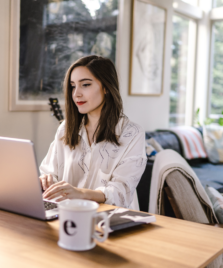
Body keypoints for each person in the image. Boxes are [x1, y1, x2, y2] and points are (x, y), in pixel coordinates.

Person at [39, 55, 147, 209]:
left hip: (112, 221)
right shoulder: (65, 128)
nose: (76, 94)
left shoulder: (132, 133)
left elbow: (121, 191)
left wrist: (80, 193)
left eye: (85, 85)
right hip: (66, 217)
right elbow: (49, 172)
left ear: (106, 87)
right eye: (73, 86)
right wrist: (46, 179)